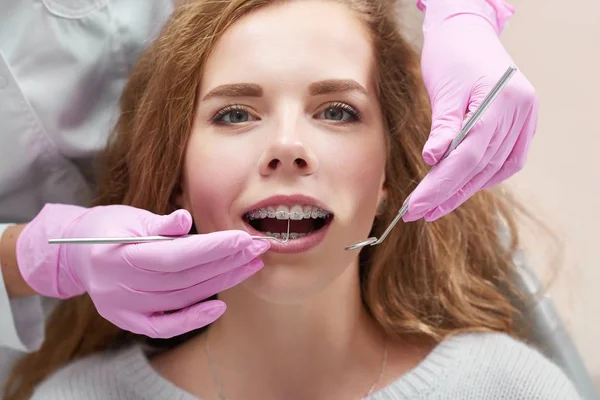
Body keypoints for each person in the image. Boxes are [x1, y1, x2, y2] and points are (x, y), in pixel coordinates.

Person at [2, 0, 575, 399]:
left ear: (388, 177)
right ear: (175, 173)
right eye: (234, 114)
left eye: (337, 111)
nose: (287, 148)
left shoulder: (511, 388)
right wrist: (24, 252)